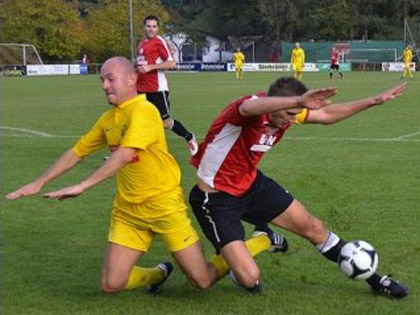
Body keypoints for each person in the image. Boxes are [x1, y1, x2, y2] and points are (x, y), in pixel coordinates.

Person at [6, 56, 267, 294]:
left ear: (132, 79)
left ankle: (261, 240)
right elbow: (77, 151)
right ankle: (158, 274)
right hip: (129, 211)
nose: (105, 85)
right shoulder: (109, 118)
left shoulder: (144, 111)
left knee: (202, 280)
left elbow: (125, 154)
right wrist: (39, 182)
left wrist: (84, 185)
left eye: (110, 78)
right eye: (102, 80)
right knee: (111, 284)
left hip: (164, 206)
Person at [189, 76, 410, 298]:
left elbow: (325, 115)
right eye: (290, 114)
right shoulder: (249, 110)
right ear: (279, 103)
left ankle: (377, 281)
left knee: (315, 228)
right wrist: (298, 100)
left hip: (252, 186)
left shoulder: (287, 113)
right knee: (249, 278)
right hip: (216, 199)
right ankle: (265, 239)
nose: (294, 121)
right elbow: (249, 107)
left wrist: (374, 100)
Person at [137, 15, 198, 156]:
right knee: (137, 119)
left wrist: (150, 67)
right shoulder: (141, 43)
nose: (151, 29)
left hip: (156, 89)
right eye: (148, 26)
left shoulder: (159, 42)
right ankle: (131, 150)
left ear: (158, 28)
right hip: (140, 89)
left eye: (154, 26)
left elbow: (171, 63)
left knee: (165, 122)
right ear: (144, 27)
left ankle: (189, 137)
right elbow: (141, 65)